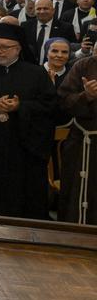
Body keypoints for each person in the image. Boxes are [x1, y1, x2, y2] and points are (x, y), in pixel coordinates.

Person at [0, 22, 55, 219]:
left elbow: (49, 106)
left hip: (22, 147)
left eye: (5, 47)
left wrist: (21, 107)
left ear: (18, 48)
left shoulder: (36, 73)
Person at [56, 51, 97, 224]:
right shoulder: (83, 65)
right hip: (83, 141)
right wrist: (86, 96)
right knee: (77, 193)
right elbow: (64, 101)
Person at [23, 0, 74, 64]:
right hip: (30, 67)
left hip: (55, 68)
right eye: (39, 9)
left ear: (53, 10)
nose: (42, 11)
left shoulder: (66, 28)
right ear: (34, 11)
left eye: (45, 8)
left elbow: (71, 50)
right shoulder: (25, 26)